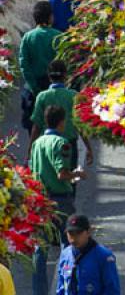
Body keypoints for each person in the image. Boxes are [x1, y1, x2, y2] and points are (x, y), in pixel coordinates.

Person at [30, 105, 85, 295]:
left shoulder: (37, 143)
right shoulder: (62, 143)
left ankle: (39, 291)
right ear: (62, 122)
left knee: (40, 249)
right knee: (69, 246)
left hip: (39, 201)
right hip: (60, 201)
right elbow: (62, 174)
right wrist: (77, 174)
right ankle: (67, 288)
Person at [30, 59, 93, 170]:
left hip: (47, 145)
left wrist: (30, 150)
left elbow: (37, 126)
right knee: (69, 180)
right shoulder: (74, 96)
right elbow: (81, 126)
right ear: (65, 76)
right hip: (69, 146)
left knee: (48, 180)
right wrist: (89, 148)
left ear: (49, 77)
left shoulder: (42, 96)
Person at [19, 2, 61, 134]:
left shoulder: (27, 37)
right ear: (50, 17)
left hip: (33, 88)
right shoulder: (58, 36)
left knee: (33, 127)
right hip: (53, 85)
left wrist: (34, 88)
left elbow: (24, 65)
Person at [57, 215, 120, 295]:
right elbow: (61, 287)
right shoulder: (65, 255)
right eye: (71, 233)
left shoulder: (104, 256)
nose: (74, 238)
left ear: (88, 232)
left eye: (78, 233)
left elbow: (112, 289)